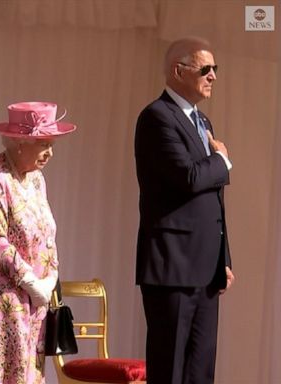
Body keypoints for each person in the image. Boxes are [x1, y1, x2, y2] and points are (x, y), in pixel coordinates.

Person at [134, 37, 235, 384]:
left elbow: (213, 199)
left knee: (200, 369)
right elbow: (188, 178)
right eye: (206, 69)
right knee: (170, 368)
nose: (213, 77)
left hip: (206, 268)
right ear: (179, 71)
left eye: (215, 70)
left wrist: (225, 257)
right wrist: (221, 160)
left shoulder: (203, 122)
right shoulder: (156, 118)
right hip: (172, 267)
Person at [0, 101, 76, 384]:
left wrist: (50, 277)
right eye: (43, 144)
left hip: (36, 302)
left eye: (51, 144)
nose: (50, 153)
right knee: (2, 376)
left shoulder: (37, 179)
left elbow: (48, 234)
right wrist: (30, 281)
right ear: (19, 143)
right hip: (3, 302)